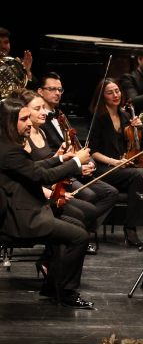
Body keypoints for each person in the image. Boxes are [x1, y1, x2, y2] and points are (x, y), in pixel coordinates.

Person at [0, 98, 94, 309]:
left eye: (28, 118)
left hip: (25, 210)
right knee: (79, 236)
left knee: (77, 225)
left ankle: (53, 287)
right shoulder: (10, 151)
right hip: (20, 218)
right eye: (23, 119)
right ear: (9, 122)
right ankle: (66, 292)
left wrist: (61, 159)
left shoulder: (7, 147)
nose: (29, 123)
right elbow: (43, 176)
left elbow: (33, 168)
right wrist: (76, 162)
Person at [12, 89, 113, 255]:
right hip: (38, 190)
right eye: (37, 109)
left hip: (49, 182)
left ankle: (58, 255)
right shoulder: (22, 139)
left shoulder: (41, 131)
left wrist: (61, 156)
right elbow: (30, 172)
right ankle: (56, 254)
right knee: (83, 211)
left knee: (91, 208)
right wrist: (51, 191)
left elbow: (45, 163)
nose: (43, 112)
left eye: (43, 108)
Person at [36, 72, 119, 237]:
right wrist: (77, 167)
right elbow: (47, 156)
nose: (57, 93)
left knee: (110, 193)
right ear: (40, 91)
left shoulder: (61, 116)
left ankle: (84, 233)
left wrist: (90, 162)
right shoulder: (38, 120)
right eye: (52, 89)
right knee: (89, 196)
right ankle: (75, 235)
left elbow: (77, 146)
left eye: (60, 89)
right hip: (59, 173)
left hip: (74, 170)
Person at [88, 78, 143, 247]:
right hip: (103, 168)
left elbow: (133, 142)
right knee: (140, 174)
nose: (115, 95)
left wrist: (138, 128)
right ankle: (131, 227)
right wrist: (114, 162)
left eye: (117, 91)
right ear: (102, 96)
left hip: (122, 168)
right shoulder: (98, 117)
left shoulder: (126, 115)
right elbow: (92, 151)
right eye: (109, 92)